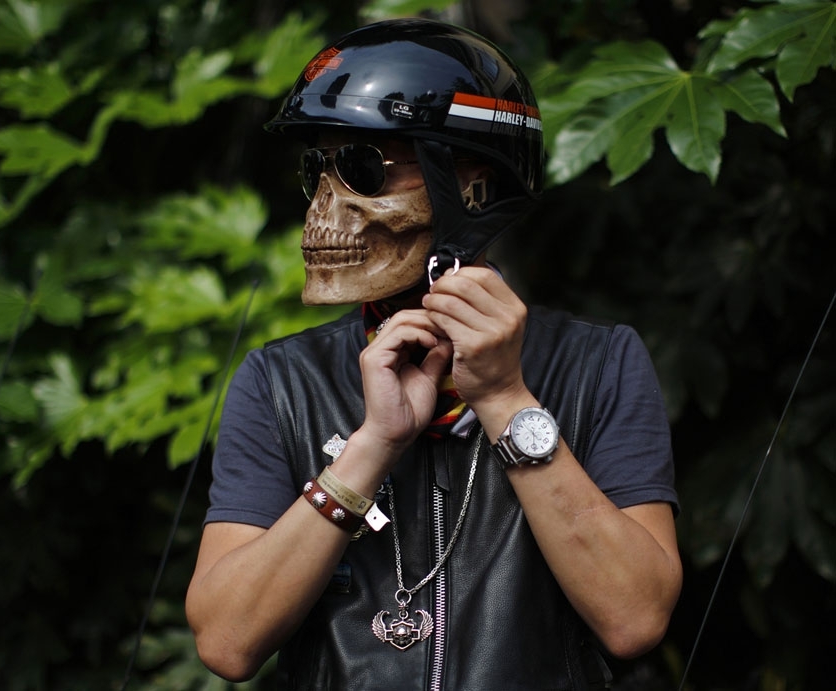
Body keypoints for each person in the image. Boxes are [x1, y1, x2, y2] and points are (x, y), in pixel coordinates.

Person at [186, 17, 681, 690]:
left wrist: (507, 400)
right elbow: (226, 640)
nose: (323, 208)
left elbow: (633, 616)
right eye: (316, 172)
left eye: (363, 169)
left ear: (472, 186)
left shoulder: (599, 363)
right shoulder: (280, 381)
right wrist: (371, 446)